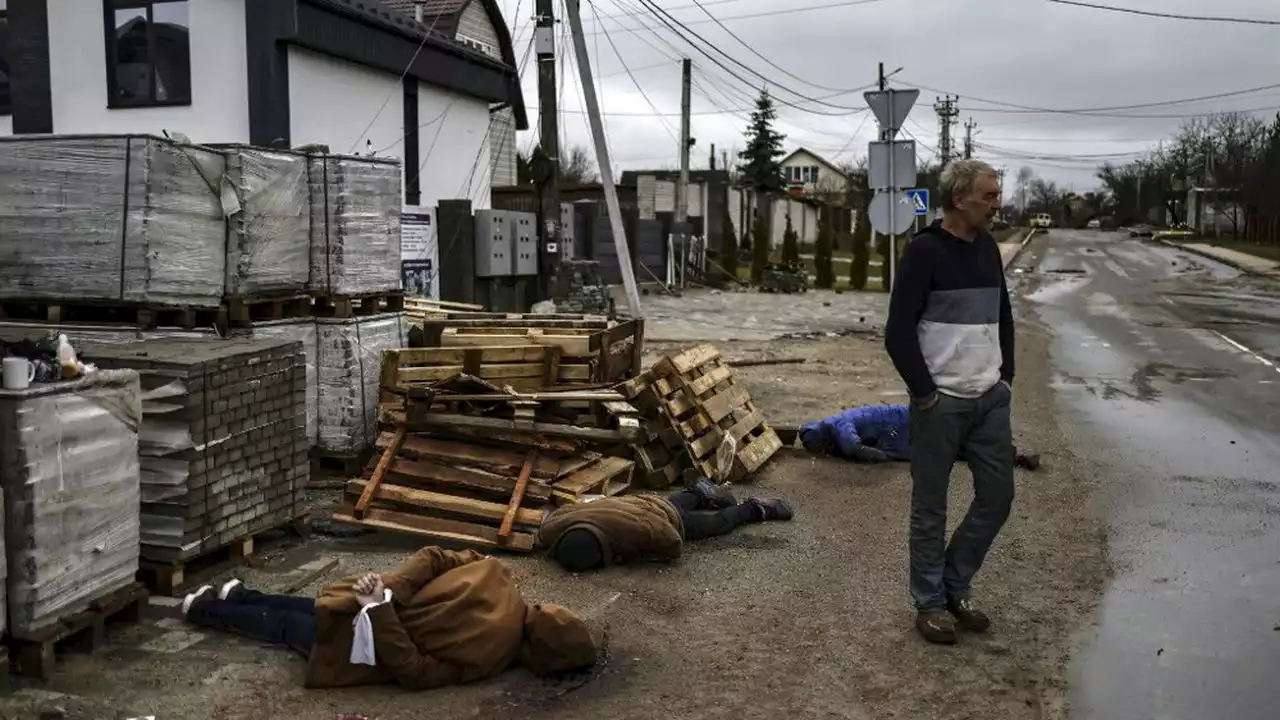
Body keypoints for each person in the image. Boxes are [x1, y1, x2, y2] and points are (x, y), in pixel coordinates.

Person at [884, 159, 1016, 645]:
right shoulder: (924, 252)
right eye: (988, 195)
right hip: (940, 402)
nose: (996, 203)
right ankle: (931, 603)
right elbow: (897, 332)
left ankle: (956, 585)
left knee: (998, 496)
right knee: (930, 506)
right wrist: (924, 394)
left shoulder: (988, 250)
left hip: (989, 399)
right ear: (959, 199)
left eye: (996, 194)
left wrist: (1006, 378)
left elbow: (1003, 315)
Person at [180, 545, 598, 688]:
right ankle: (204, 609)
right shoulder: (490, 657)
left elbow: (436, 557)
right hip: (368, 639)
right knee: (289, 627)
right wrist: (382, 604)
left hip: (369, 610)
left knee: (312, 609)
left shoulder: (498, 575)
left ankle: (239, 594)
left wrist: (392, 589)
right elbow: (414, 671)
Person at [538, 480, 793, 572]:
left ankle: (754, 508)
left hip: (661, 516)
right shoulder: (553, 527)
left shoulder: (636, 530)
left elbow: (672, 543)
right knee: (672, 502)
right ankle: (699, 492)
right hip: (642, 500)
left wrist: (642, 557)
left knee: (716, 523)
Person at [798, 404, 1040, 470]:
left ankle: (1012, 455)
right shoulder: (836, 423)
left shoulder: (837, 423)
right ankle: (1012, 456)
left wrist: (870, 454)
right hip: (900, 427)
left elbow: (852, 444)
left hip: (902, 425)